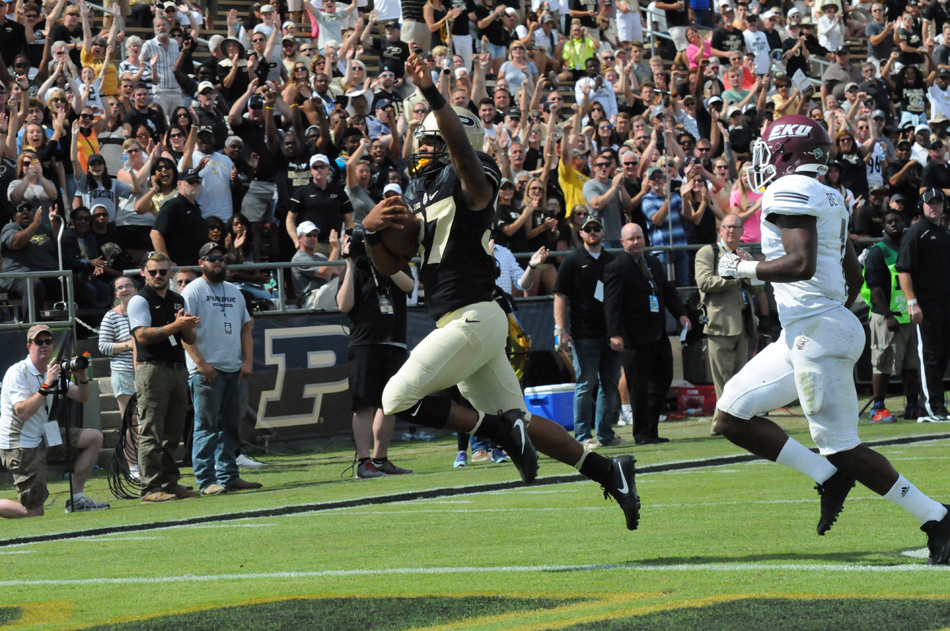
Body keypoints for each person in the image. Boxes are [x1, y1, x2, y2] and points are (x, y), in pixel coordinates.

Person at [361, 53, 641, 531]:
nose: (421, 150)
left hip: (475, 316)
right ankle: (608, 470)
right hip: (462, 320)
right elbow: (393, 264)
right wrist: (369, 234)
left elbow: (465, 157)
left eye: (431, 141)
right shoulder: (421, 194)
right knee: (522, 421)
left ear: (454, 142)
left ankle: (495, 430)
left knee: (395, 397)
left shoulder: (473, 174)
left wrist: (432, 94)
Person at [713, 115, 950, 564]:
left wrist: (741, 268)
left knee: (842, 445)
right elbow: (851, 271)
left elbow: (800, 263)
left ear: (787, 151)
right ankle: (827, 476)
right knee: (731, 415)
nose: (763, 158)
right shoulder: (829, 194)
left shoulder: (789, 190)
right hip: (809, 328)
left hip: (816, 330)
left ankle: (937, 517)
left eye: (769, 149)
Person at [0, 325, 109, 517]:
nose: (44, 345)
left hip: (43, 437)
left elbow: (82, 397)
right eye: (38, 342)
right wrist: (46, 385)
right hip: (19, 445)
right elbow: (22, 412)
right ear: (29, 346)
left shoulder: (51, 371)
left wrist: (82, 378)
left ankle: (77, 499)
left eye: (48, 341)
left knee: (94, 437)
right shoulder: (18, 372)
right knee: (33, 513)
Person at [181, 242, 261, 496]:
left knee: (231, 426)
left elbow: (246, 326)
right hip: (207, 370)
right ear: (201, 262)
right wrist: (201, 364)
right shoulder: (192, 290)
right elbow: (184, 331)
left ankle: (229, 476)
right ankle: (206, 481)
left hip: (233, 368)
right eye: (212, 258)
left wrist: (247, 361)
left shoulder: (234, 291)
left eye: (222, 258)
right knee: (206, 426)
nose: (218, 262)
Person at [336, 231, 415, 479]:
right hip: (364, 342)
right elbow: (343, 305)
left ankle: (381, 458)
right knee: (363, 404)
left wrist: (384, 261)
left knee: (389, 403)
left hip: (394, 341)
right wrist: (349, 265)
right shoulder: (357, 268)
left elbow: (409, 286)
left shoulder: (396, 262)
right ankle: (363, 461)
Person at [606, 223, 690, 445]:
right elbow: (612, 304)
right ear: (622, 242)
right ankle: (641, 432)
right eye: (631, 239)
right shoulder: (617, 267)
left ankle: (652, 429)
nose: (636, 242)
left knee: (663, 380)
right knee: (639, 386)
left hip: (658, 334)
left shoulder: (653, 262)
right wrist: (615, 333)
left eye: (639, 238)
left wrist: (681, 315)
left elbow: (668, 293)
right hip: (633, 338)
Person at [128, 251, 201, 503]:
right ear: (143, 273)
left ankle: (170, 482)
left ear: (171, 272)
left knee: (173, 430)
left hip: (177, 367)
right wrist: (176, 326)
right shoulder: (139, 300)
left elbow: (189, 339)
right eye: (153, 272)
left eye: (163, 271)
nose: (159, 276)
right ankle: (150, 488)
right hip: (152, 368)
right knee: (152, 431)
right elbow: (142, 336)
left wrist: (188, 327)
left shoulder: (177, 299)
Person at [553, 211, 622, 449]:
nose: (592, 233)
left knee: (610, 384)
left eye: (596, 229)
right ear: (580, 233)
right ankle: (582, 435)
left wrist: (620, 330)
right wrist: (560, 328)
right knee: (586, 382)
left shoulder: (613, 260)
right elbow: (560, 295)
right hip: (584, 332)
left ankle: (605, 433)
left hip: (611, 331)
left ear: (603, 232)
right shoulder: (572, 261)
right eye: (588, 229)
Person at [694, 214, 762, 423]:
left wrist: (746, 269)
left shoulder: (746, 255)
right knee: (724, 380)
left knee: (741, 378)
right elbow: (705, 282)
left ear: (742, 232)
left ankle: (738, 421)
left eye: (736, 227)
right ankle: (722, 424)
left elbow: (758, 289)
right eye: (728, 227)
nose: (732, 231)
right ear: (720, 230)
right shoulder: (707, 252)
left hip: (743, 323)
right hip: (719, 325)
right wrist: (735, 274)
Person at [896, 188, 950, 423]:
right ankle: (933, 407)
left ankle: (935, 404)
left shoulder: (945, 233)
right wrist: (912, 302)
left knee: (943, 355)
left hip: (945, 304)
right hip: (926, 306)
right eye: (930, 203)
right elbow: (903, 269)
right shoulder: (916, 233)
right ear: (922, 205)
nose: (934, 207)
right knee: (929, 355)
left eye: (938, 203)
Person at [862, 209, 919, 423]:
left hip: (909, 315)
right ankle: (878, 408)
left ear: (904, 223)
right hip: (886, 316)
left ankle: (913, 405)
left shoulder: (909, 248)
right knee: (883, 363)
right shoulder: (877, 252)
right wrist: (887, 315)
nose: (894, 224)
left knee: (912, 364)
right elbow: (874, 286)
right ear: (883, 226)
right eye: (889, 222)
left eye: (897, 220)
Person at [98, 276, 139, 473]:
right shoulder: (111, 316)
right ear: (115, 294)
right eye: (119, 288)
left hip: (146, 370)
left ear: (135, 288)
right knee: (130, 420)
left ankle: (149, 462)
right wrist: (127, 345)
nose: (124, 290)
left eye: (128, 286)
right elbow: (103, 346)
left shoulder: (144, 311)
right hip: (123, 373)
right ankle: (133, 465)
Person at [291, 221, 341, 309]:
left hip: (323, 295)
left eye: (315, 235)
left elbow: (338, 272)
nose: (313, 238)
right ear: (299, 238)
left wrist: (346, 251)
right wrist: (335, 249)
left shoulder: (320, 256)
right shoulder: (299, 258)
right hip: (311, 300)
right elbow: (325, 273)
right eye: (309, 235)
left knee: (348, 279)